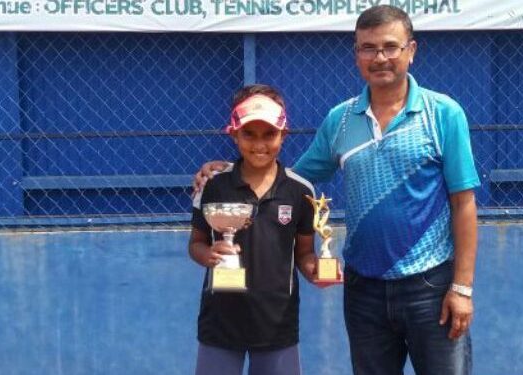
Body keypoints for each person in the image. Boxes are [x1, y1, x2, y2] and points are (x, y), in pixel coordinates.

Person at [193, 5, 480, 375]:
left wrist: (462, 288)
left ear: (411, 50)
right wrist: (229, 171)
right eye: (368, 48)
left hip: (430, 286)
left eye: (390, 47)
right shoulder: (340, 119)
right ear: (356, 54)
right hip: (364, 291)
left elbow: (464, 203)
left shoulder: (444, 113)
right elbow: (284, 179)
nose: (380, 58)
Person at [189, 84, 331, 375]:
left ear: (284, 134)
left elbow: (304, 253)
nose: (259, 144)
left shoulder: (300, 191)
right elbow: (196, 244)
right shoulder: (213, 185)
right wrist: (209, 255)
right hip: (220, 322)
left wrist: (317, 269)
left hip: (276, 324)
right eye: (249, 134)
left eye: (269, 134)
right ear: (234, 134)